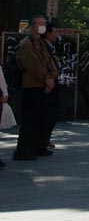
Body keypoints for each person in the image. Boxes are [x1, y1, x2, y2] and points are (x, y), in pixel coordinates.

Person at [14, 14, 58, 161]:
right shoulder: (26, 44)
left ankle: (37, 147)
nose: (44, 26)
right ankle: (23, 150)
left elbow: (49, 62)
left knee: (41, 119)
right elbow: (33, 66)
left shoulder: (41, 43)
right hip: (32, 85)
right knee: (30, 120)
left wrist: (52, 77)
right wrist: (47, 79)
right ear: (33, 26)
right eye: (41, 23)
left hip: (43, 85)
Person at [40, 22, 61, 153]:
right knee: (46, 116)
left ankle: (44, 140)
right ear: (48, 34)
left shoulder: (49, 47)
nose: (56, 35)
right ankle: (42, 141)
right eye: (55, 32)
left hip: (51, 83)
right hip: (47, 85)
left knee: (49, 117)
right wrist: (49, 80)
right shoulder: (43, 47)